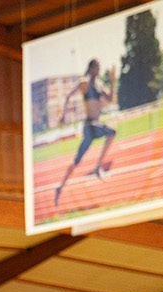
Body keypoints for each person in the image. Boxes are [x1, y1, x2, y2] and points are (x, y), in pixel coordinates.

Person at [53, 59, 117, 207]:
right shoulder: (85, 83)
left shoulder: (100, 85)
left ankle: (60, 187)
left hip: (94, 126)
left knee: (76, 161)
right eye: (97, 68)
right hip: (89, 125)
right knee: (111, 132)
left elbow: (109, 98)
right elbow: (69, 95)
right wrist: (63, 114)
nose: (99, 70)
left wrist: (112, 81)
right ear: (91, 68)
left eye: (100, 67)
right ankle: (97, 167)